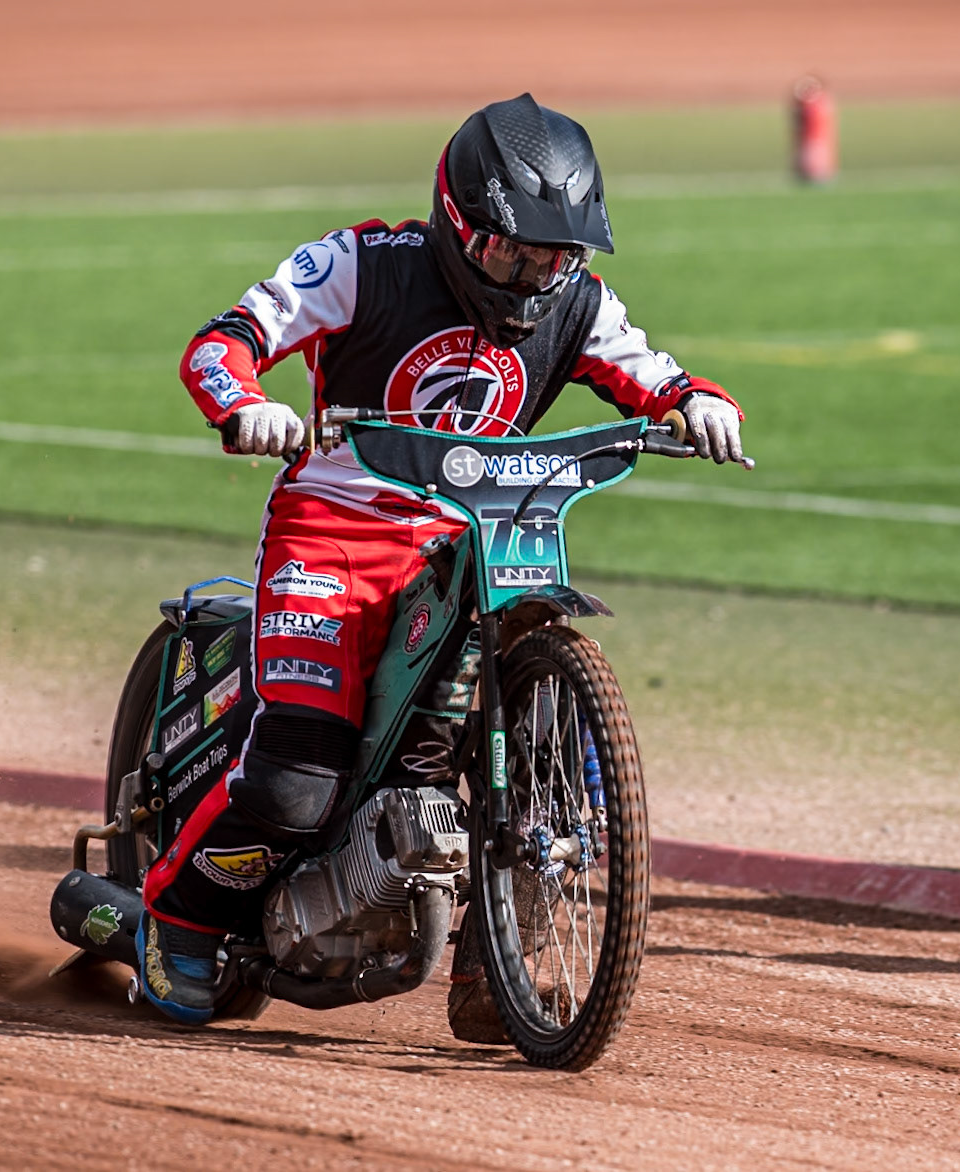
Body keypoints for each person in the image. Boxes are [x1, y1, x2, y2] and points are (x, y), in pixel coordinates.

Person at [136, 93, 746, 1024]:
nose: (538, 275)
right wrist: (244, 403)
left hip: (470, 538)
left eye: (558, 254)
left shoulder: (575, 301)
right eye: (516, 250)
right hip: (334, 534)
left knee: (544, 762)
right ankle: (175, 921)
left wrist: (698, 402)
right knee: (298, 781)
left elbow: (650, 371)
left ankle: (487, 971)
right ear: (458, 223)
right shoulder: (359, 263)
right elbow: (225, 343)